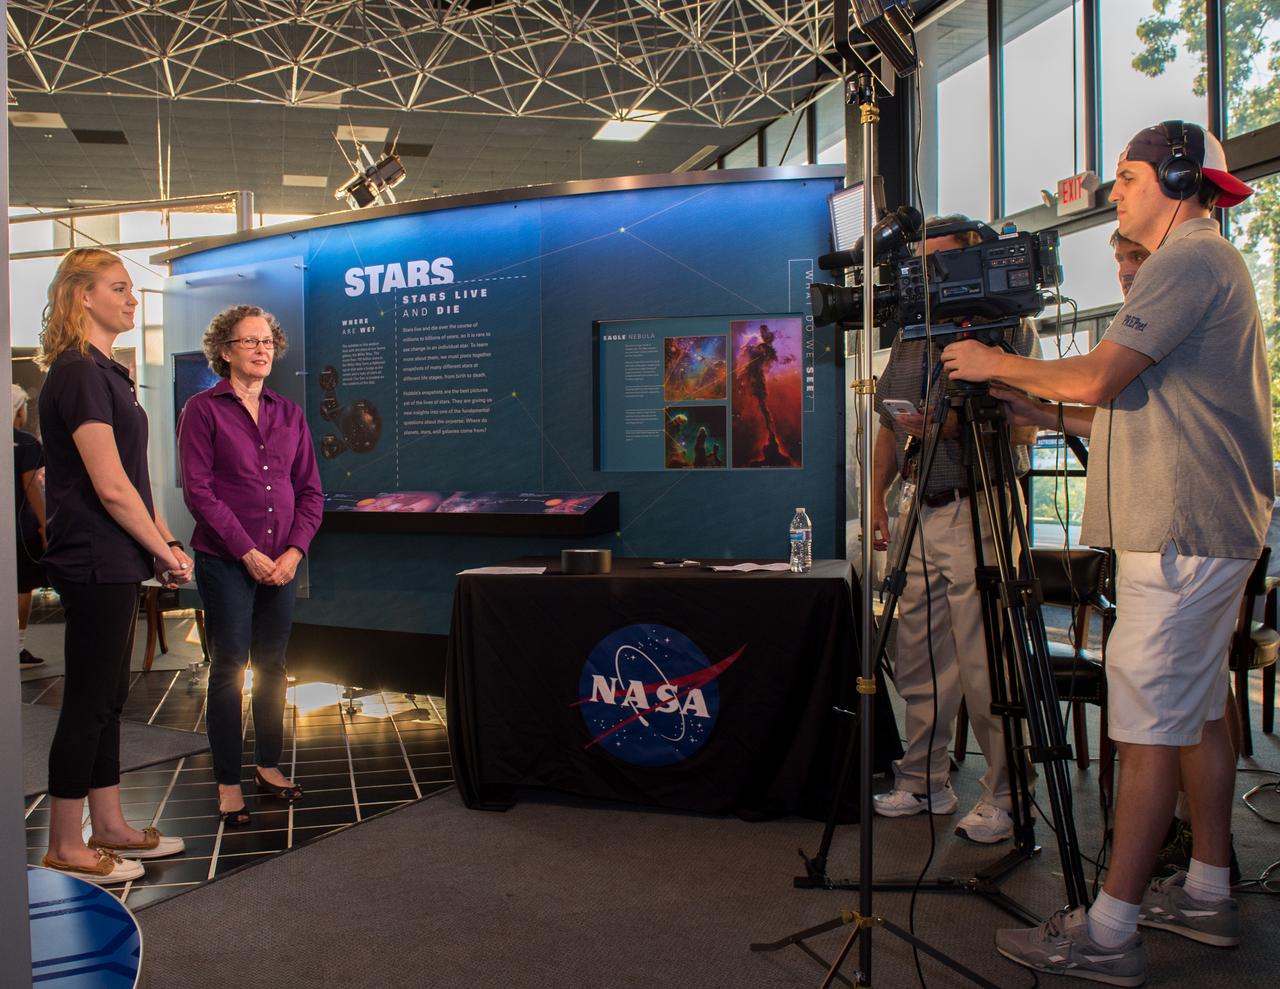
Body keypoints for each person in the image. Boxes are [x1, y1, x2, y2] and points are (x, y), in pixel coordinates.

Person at [941, 121, 1269, 985]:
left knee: (1149, 725)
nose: (1113, 191)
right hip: (1200, 527)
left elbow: (1093, 378)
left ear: (1175, 176)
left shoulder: (1187, 260)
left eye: (1125, 177)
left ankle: (1111, 929)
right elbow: (1117, 412)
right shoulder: (1202, 263)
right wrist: (1032, 408)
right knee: (1197, 711)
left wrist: (989, 362)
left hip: (1180, 533)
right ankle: (1204, 889)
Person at [870, 214, 1041, 844]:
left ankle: (1006, 793)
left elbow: (1023, 423)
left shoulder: (1007, 328)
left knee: (986, 658)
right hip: (922, 503)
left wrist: (949, 427)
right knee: (918, 652)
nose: (926, 274)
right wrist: (880, 500)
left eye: (939, 260)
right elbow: (891, 424)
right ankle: (923, 776)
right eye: (920, 262)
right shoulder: (911, 335)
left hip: (981, 505)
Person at [37, 248, 191, 884]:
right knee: (88, 701)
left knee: (107, 697)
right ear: (82, 297)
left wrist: (162, 542)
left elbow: (135, 483)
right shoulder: (75, 373)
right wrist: (163, 548)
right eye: (119, 288)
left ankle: (110, 826)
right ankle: (65, 844)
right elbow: (111, 486)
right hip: (94, 556)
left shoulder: (106, 372)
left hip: (116, 554)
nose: (132, 299)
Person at [178, 304, 323, 828]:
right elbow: (200, 491)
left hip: (281, 563)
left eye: (268, 342)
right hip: (225, 562)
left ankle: (267, 765)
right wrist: (248, 551)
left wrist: (293, 552)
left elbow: (310, 492)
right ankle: (227, 780)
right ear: (225, 351)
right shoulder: (203, 409)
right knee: (229, 668)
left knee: (274, 667)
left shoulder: (290, 413)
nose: (262, 350)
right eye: (250, 342)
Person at [14, 383, 47, 669]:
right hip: (21, 531)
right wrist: (45, 525)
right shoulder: (26, 444)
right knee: (22, 587)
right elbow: (32, 487)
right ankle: (18, 646)